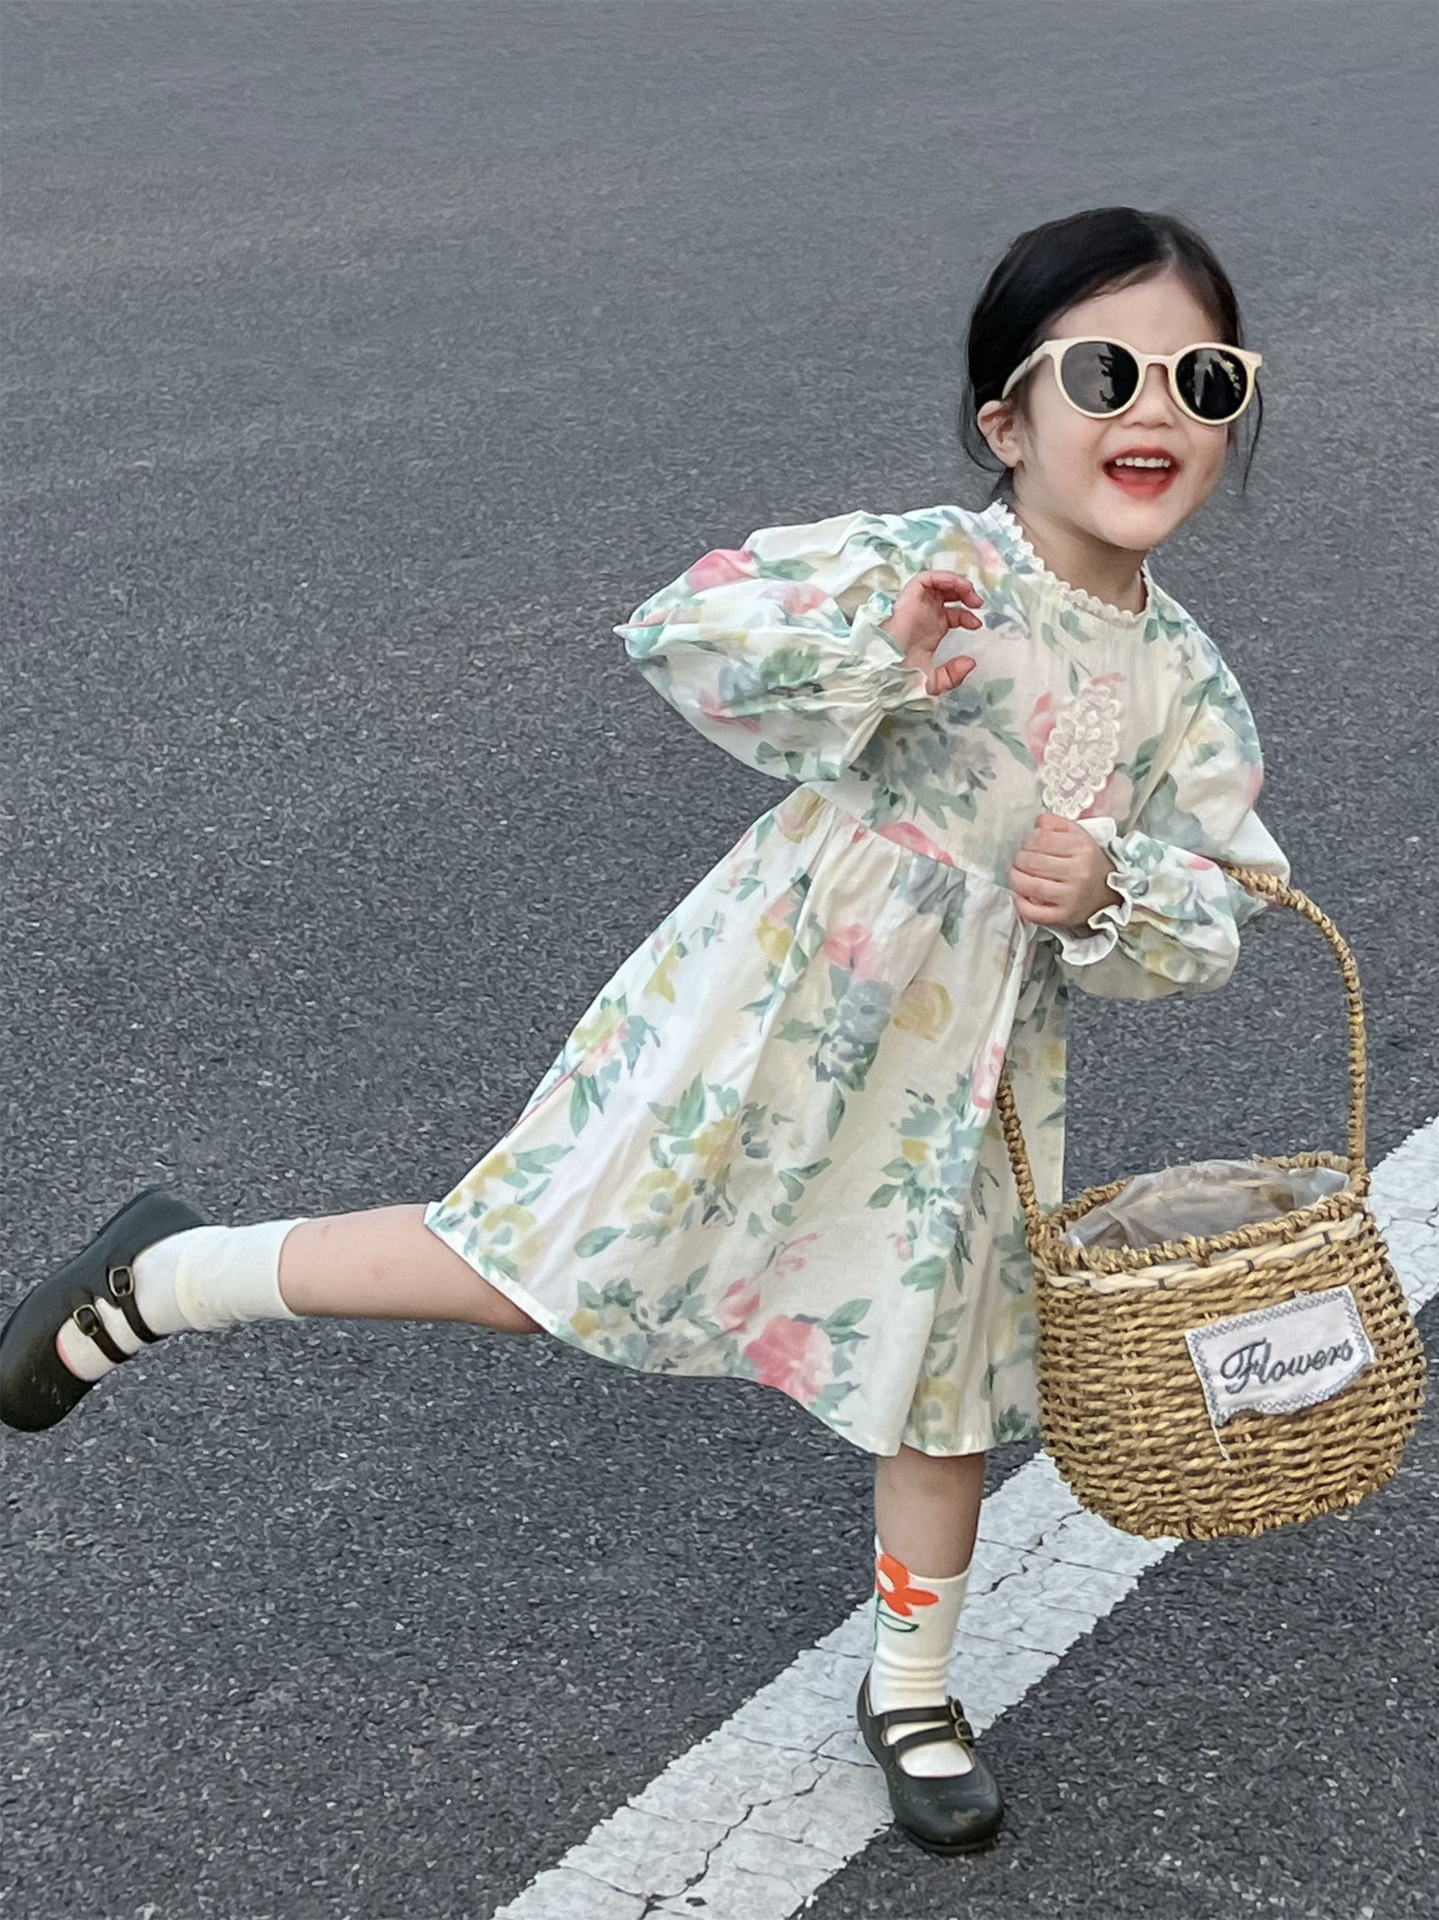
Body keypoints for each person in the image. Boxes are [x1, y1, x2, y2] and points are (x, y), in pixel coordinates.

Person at [0, 205, 1287, 1858]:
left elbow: (1228, 894)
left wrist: (1117, 890)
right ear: (1005, 422)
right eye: (1106, 372)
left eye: (1204, 377)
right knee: (542, 1264)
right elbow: (694, 625)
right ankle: (170, 1277)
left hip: (966, 1086)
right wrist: (873, 654)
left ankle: (912, 1684)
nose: (1157, 408)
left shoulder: (1187, 679)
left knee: (944, 1384)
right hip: (771, 1015)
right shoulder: (922, 564)